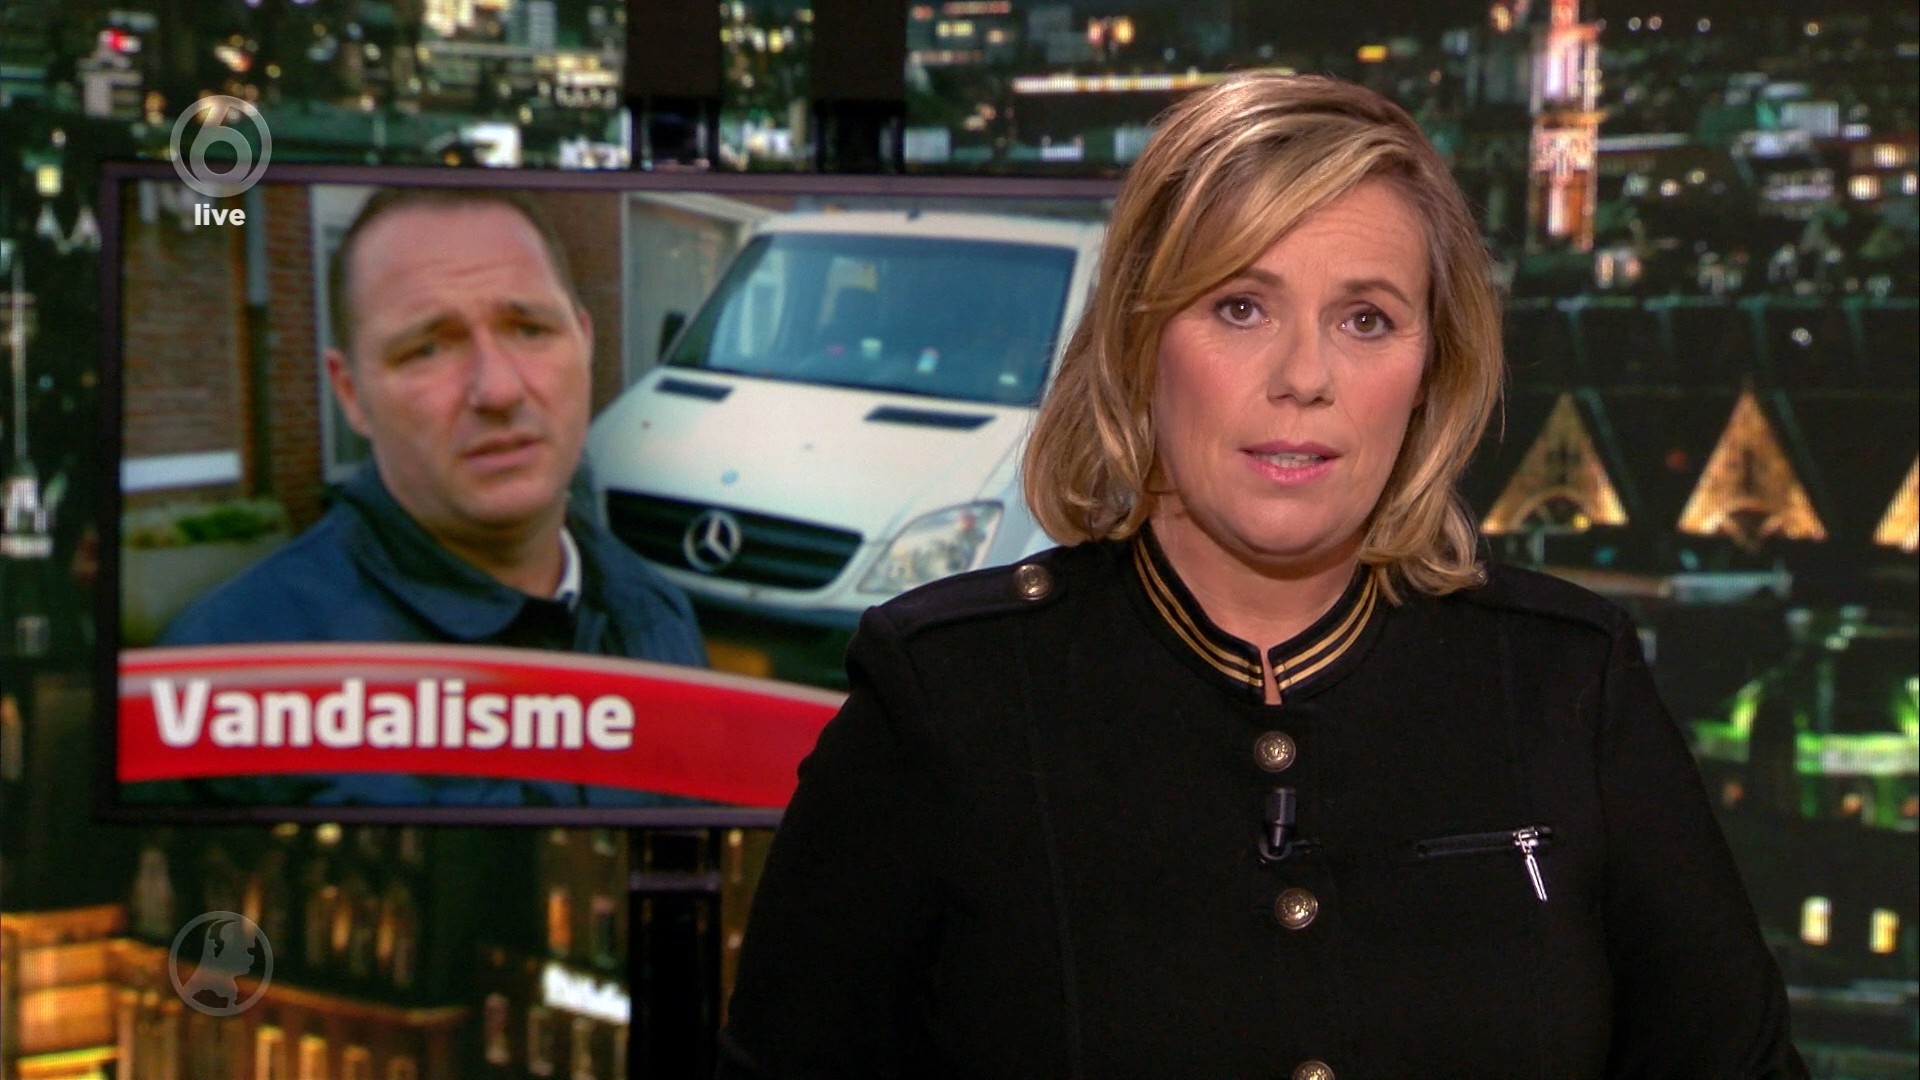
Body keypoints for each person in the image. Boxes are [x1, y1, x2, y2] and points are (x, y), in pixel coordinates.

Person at [717, 75, 1805, 1077]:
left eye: (1366, 319)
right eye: (1240, 307)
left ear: (1431, 372)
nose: (1303, 377)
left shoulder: (1567, 683)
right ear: (1139, 342)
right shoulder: (948, 696)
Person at [159, 188, 704, 804]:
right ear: (351, 393)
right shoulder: (224, 681)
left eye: (530, 329)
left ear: (584, 341)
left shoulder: (657, 617)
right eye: (428, 348)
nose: (498, 390)